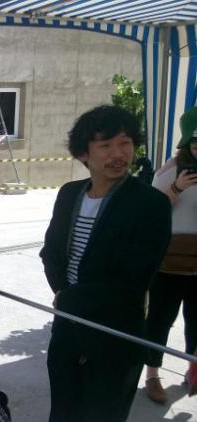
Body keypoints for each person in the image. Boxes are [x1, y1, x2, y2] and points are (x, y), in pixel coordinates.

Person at [40, 105, 172, 422]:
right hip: (67, 329)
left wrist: (69, 299)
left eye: (125, 143)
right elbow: (52, 252)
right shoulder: (70, 194)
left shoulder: (150, 203)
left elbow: (134, 278)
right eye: (105, 145)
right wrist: (61, 290)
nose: (118, 153)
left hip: (116, 333)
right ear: (84, 153)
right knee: (63, 410)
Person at [143, 106, 197, 403]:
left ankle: (194, 369)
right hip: (168, 263)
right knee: (160, 320)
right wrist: (176, 187)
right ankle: (152, 374)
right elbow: (151, 210)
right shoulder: (170, 170)